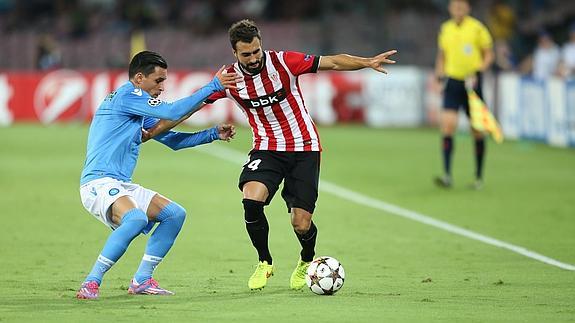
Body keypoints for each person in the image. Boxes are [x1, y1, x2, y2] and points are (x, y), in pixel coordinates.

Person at [144, 19, 397, 291]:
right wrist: (153, 132)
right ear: (234, 53)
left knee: (301, 223)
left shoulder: (284, 62)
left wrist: (367, 62)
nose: (253, 58)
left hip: (304, 147)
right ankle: (265, 262)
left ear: (261, 45)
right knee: (251, 199)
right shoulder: (228, 79)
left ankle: (306, 260)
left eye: (256, 51)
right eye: (246, 54)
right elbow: (187, 109)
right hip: (267, 147)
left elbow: (333, 62)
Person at [76, 50, 240, 299]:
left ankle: (142, 280)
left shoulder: (135, 109)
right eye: (159, 80)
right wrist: (214, 86)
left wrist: (212, 134)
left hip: (120, 184)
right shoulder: (127, 95)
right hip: (98, 182)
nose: (163, 87)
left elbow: (172, 139)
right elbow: (173, 112)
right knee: (136, 219)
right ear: (139, 78)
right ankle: (91, 282)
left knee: (174, 214)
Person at [434, 0, 494, 189]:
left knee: (477, 130)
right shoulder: (445, 29)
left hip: (473, 83)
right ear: (450, 8)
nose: (458, 10)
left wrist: (479, 70)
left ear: (468, 8)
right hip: (453, 81)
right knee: (448, 126)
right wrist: (439, 72)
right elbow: (442, 55)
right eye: (454, 6)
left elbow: (488, 54)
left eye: (461, 7)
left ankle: (478, 177)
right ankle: (447, 175)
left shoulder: (477, 28)